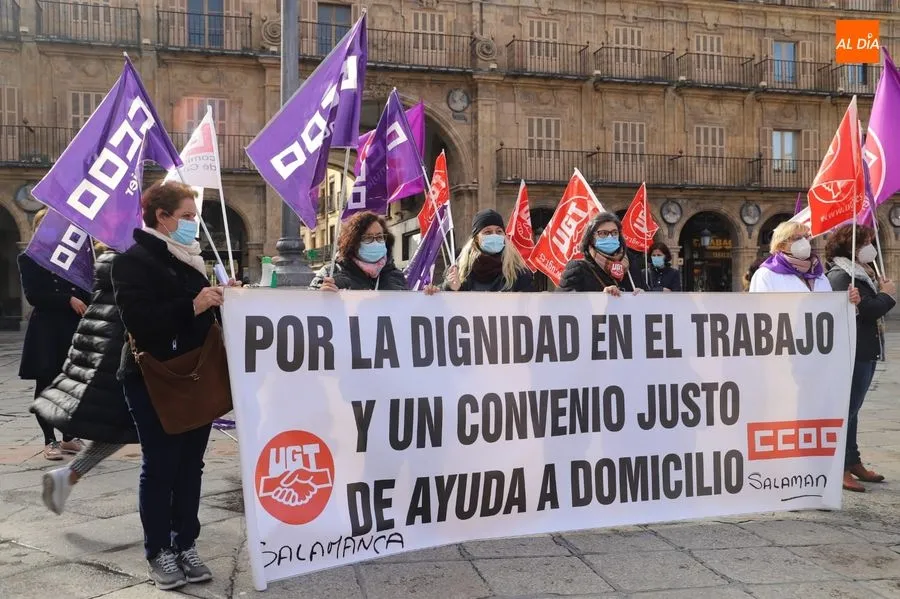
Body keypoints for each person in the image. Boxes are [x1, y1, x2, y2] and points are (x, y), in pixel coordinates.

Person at [112, 181, 235, 590]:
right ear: (161, 217)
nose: (193, 223)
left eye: (193, 215)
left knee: (191, 465)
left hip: (195, 374)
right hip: (155, 378)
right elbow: (141, 324)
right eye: (186, 215)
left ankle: (186, 543)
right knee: (161, 464)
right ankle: (158, 551)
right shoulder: (132, 262)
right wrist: (194, 304)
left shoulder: (193, 259)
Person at [32, 243, 135, 515]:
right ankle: (171, 530)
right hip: (126, 355)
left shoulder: (114, 260)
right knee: (140, 429)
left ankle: (67, 476)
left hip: (116, 353)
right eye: (183, 217)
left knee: (124, 428)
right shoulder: (131, 262)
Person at [826, 224, 896, 492]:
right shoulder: (842, 276)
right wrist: (888, 295)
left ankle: (852, 461)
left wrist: (880, 292)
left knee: (854, 410)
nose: (871, 247)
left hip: (865, 349)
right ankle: (839, 467)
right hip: (851, 350)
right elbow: (867, 311)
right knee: (847, 410)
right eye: (865, 242)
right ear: (851, 246)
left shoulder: (861, 274)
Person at [18, 208, 91, 460]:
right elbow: (34, 295)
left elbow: (88, 288)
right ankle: (50, 440)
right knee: (46, 383)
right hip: (47, 330)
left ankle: (69, 437)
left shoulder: (76, 258)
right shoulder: (30, 258)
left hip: (73, 328)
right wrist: (67, 299)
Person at [310, 211, 412, 291]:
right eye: (367, 238)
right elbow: (308, 307)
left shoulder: (396, 276)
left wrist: (426, 298)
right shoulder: (330, 274)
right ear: (353, 242)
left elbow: (410, 311)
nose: (375, 242)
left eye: (380, 237)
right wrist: (321, 297)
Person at [749, 221, 855, 298]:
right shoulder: (766, 275)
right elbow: (759, 315)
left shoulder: (818, 274)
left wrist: (847, 302)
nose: (804, 241)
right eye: (797, 238)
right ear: (781, 245)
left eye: (806, 237)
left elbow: (830, 310)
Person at [443, 209, 533, 292]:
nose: (494, 235)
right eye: (487, 232)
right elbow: (444, 300)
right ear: (476, 238)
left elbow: (528, 304)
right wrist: (448, 288)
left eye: (499, 231)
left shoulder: (518, 271)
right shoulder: (458, 268)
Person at [558, 212, 640, 295]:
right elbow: (563, 303)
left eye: (614, 232)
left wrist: (645, 294)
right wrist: (600, 298)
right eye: (603, 233)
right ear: (591, 237)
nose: (610, 237)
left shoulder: (630, 265)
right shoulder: (577, 268)